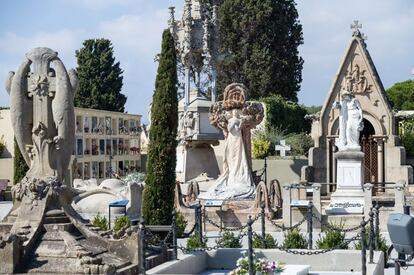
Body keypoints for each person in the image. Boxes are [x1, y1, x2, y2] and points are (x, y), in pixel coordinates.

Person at [200, 108, 255, 199]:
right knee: (233, 155)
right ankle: (232, 174)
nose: (235, 112)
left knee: (237, 155)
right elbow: (232, 129)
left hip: (236, 138)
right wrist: (235, 124)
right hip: (234, 138)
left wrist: (237, 124)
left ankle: (236, 175)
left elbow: (234, 129)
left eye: (236, 111)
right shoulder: (234, 120)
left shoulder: (236, 120)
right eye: (234, 112)